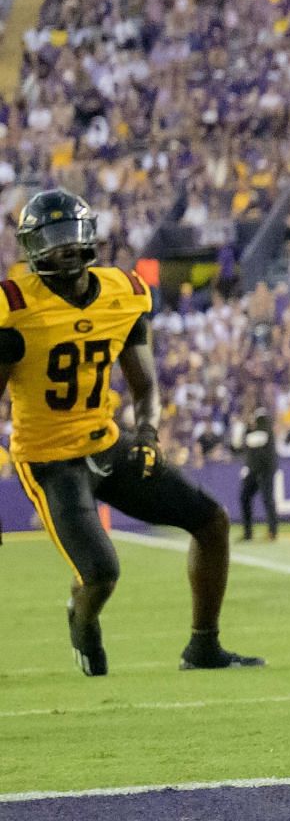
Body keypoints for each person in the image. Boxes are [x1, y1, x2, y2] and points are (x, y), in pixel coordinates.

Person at [1, 190, 263, 676]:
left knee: (212, 522)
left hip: (106, 441)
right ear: (32, 250)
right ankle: (81, 620)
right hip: (47, 458)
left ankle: (203, 646)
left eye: (70, 236)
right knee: (100, 574)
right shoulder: (12, 305)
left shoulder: (123, 291)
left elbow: (145, 386)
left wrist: (146, 434)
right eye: (51, 241)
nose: (63, 249)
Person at [234, 410, 279, 542]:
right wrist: (241, 429)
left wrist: (243, 428)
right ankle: (248, 532)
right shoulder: (249, 430)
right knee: (244, 497)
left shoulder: (263, 423)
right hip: (253, 469)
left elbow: (259, 438)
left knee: (267, 499)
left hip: (265, 469)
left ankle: (272, 531)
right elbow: (236, 446)